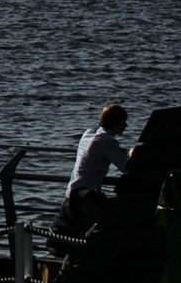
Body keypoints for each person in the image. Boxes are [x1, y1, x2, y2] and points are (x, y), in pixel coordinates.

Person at [57, 104, 137, 244]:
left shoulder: (88, 134)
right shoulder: (107, 142)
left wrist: (117, 151)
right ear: (115, 123)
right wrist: (132, 154)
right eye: (123, 122)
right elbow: (127, 168)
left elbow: (96, 152)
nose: (126, 126)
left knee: (75, 237)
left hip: (71, 195)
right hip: (86, 199)